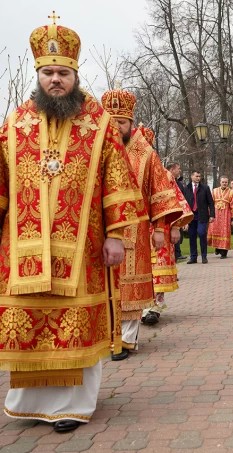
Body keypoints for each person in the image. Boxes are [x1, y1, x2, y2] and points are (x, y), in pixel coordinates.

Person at [0, 15, 142, 432]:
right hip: (22, 251)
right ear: (38, 74)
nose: (56, 80)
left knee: (76, 322)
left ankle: (72, 406)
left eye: (63, 73)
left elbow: (117, 182)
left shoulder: (98, 125)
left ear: (75, 75)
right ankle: (29, 402)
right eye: (48, 73)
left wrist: (116, 235)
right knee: (29, 321)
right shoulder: (14, 125)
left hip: (83, 252)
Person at [101, 88, 183, 360]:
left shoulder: (145, 153)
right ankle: (111, 337)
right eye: (111, 123)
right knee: (107, 285)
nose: (115, 128)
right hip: (104, 228)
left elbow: (161, 191)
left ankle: (126, 339)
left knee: (131, 285)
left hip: (136, 229)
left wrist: (161, 228)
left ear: (131, 123)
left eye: (120, 123)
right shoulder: (99, 148)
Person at [140, 128, 194, 326]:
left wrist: (176, 226)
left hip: (159, 227)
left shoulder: (164, 175)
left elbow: (176, 201)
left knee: (158, 271)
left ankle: (153, 308)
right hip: (136, 230)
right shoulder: (125, 168)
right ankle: (139, 307)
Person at [184, 171, 215, 264]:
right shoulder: (186, 188)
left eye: (199, 176)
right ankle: (193, 257)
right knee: (192, 236)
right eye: (196, 176)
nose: (198, 178)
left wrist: (212, 215)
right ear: (191, 176)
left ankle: (204, 256)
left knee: (201, 233)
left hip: (202, 215)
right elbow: (184, 203)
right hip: (191, 216)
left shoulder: (205, 188)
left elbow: (211, 203)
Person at [208, 176, 233, 259]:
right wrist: (210, 215)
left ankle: (224, 252)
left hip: (226, 215)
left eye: (226, 182)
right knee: (216, 231)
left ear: (228, 183)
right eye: (223, 182)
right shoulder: (214, 191)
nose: (224, 183)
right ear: (220, 182)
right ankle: (217, 248)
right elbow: (211, 203)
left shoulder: (231, 192)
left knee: (225, 232)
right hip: (216, 215)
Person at [167, 162, 187, 261]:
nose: (180, 170)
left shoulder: (178, 183)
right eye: (178, 168)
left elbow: (182, 200)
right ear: (172, 169)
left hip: (176, 215)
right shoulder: (165, 180)